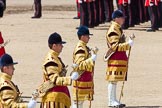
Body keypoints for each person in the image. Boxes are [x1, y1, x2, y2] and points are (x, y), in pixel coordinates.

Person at [40, 32, 78, 108]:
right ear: (54, 46)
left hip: (58, 96)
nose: (62, 46)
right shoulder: (51, 60)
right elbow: (55, 79)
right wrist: (70, 78)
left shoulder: (55, 58)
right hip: (53, 99)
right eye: (60, 44)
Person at [104, 10, 134, 107]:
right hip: (115, 57)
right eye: (122, 18)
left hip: (118, 57)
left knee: (115, 80)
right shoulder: (114, 29)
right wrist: (127, 45)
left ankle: (113, 100)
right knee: (113, 80)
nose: (123, 19)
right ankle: (111, 101)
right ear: (117, 18)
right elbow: (115, 46)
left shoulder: (118, 28)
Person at [71, 26, 97, 108]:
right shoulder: (80, 48)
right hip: (81, 79)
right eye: (87, 36)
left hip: (83, 79)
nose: (89, 37)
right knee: (78, 102)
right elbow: (80, 64)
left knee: (80, 102)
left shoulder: (84, 46)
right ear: (82, 37)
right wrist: (91, 59)